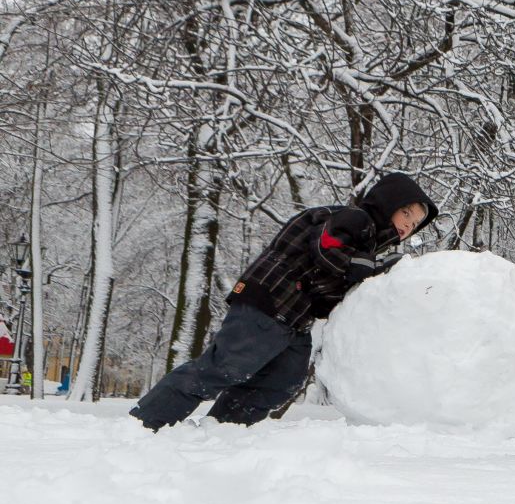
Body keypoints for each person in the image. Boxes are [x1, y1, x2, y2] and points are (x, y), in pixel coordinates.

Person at [131, 173, 437, 430]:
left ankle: (222, 431)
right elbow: (327, 247)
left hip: (295, 318)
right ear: (387, 203)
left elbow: (332, 285)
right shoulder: (355, 219)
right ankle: (145, 425)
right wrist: (371, 268)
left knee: (283, 380)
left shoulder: (368, 242)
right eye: (406, 213)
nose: (408, 225)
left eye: (415, 223)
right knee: (225, 367)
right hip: (269, 300)